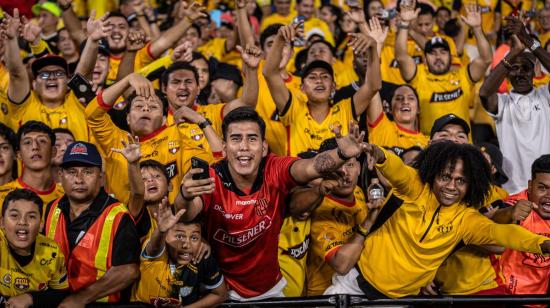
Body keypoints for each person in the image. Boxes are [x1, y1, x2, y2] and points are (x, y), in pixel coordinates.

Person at [175, 107, 366, 300]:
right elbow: (187, 213)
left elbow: (312, 166)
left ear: (264, 147)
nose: (244, 146)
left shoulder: (274, 168)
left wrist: (341, 154)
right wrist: (185, 194)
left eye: (252, 138)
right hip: (220, 292)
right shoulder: (213, 177)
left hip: (269, 290)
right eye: (236, 139)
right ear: (224, 148)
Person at [325, 141, 550, 298]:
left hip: (399, 302)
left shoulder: (466, 219)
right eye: (445, 177)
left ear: (471, 185)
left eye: (461, 181)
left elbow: (503, 234)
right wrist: (376, 152)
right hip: (353, 285)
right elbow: (396, 168)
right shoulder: (414, 187)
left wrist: (542, 244)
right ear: (433, 174)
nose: (451, 186)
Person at [85, 72, 211, 204]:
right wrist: (127, 79)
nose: (145, 108)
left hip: (172, 219)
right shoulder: (116, 140)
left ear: (164, 119)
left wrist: (202, 121)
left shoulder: (178, 135)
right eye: (138, 106)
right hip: (125, 221)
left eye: (153, 106)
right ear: (127, 118)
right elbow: (92, 114)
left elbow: (214, 164)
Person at [44, 141, 140, 305]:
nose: (79, 179)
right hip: (57, 299)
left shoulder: (118, 215)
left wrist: (80, 299)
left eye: (87, 172)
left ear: (101, 178)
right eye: (72, 172)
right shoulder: (51, 208)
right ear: (60, 175)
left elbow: (129, 271)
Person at [264, 22, 380, 157]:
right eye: (312, 77)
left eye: (325, 77)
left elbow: (373, 86)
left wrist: (373, 47)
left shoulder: (345, 110)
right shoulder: (293, 109)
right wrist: (279, 39)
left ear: (333, 86)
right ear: (302, 88)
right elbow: (269, 73)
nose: (319, 80)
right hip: (299, 177)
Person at [1, 9, 111, 142]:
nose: (52, 77)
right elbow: (17, 74)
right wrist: (11, 40)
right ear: (34, 84)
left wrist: (93, 41)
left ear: (68, 82)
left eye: (59, 73)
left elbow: (85, 71)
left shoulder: (77, 102)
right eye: (44, 74)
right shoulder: (24, 107)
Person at [396, 1, 492, 135]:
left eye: (443, 52)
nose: (438, 57)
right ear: (425, 58)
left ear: (451, 56)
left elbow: (486, 59)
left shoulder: (463, 77)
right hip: (432, 150)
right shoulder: (419, 77)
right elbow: (401, 57)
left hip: (463, 149)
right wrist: (405, 25)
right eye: (432, 53)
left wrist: (476, 28)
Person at [479, 16, 550, 195]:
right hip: (513, 190)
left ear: (534, 71)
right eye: (514, 68)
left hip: (547, 188)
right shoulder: (503, 103)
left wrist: (526, 39)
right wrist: (515, 51)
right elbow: (484, 93)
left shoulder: (545, 96)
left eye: (525, 68)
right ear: (507, 74)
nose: (520, 74)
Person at [132, 199, 227, 306]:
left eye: (194, 238)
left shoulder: (202, 257)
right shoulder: (154, 252)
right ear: (166, 235)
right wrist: (161, 231)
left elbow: (220, 294)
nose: (187, 245)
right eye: (179, 236)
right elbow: (155, 247)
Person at [0, 189, 68, 307]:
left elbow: (61, 292)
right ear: (2, 223)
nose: (22, 222)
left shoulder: (52, 251)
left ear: (41, 225)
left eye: (31, 216)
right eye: (14, 215)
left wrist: (30, 298)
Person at [496, 155, 550, 296]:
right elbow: (490, 223)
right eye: (543, 188)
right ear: (530, 186)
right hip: (507, 296)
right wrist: (508, 213)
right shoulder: (515, 205)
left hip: (541, 295)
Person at [0, 121, 64, 212]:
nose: (35, 147)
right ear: (19, 154)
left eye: (42, 141)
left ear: (53, 151)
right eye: (27, 142)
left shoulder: (66, 198)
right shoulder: (1, 196)